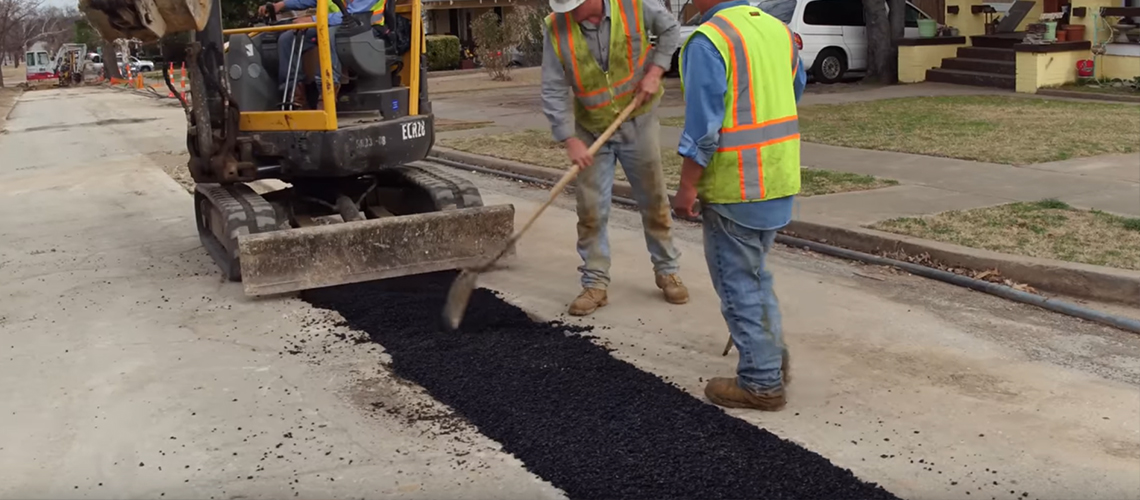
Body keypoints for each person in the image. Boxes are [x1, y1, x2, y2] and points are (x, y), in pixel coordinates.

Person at [671, 0, 806, 411]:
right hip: (779, 178)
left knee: (739, 285)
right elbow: (794, 90)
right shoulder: (776, 31)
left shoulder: (708, 41)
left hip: (738, 186)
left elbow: (703, 129)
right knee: (755, 276)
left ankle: (761, 383)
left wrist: (686, 189)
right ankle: (771, 358)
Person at [542, 0, 688, 317]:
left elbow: (671, 29)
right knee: (591, 208)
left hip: (638, 120)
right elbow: (552, 87)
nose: (568, 13)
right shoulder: (556, 26)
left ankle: (667, 270)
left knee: (653, 199)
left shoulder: (634, 5)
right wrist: (569, 138)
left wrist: (656, 70)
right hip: (591, 128)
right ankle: (595, 283)